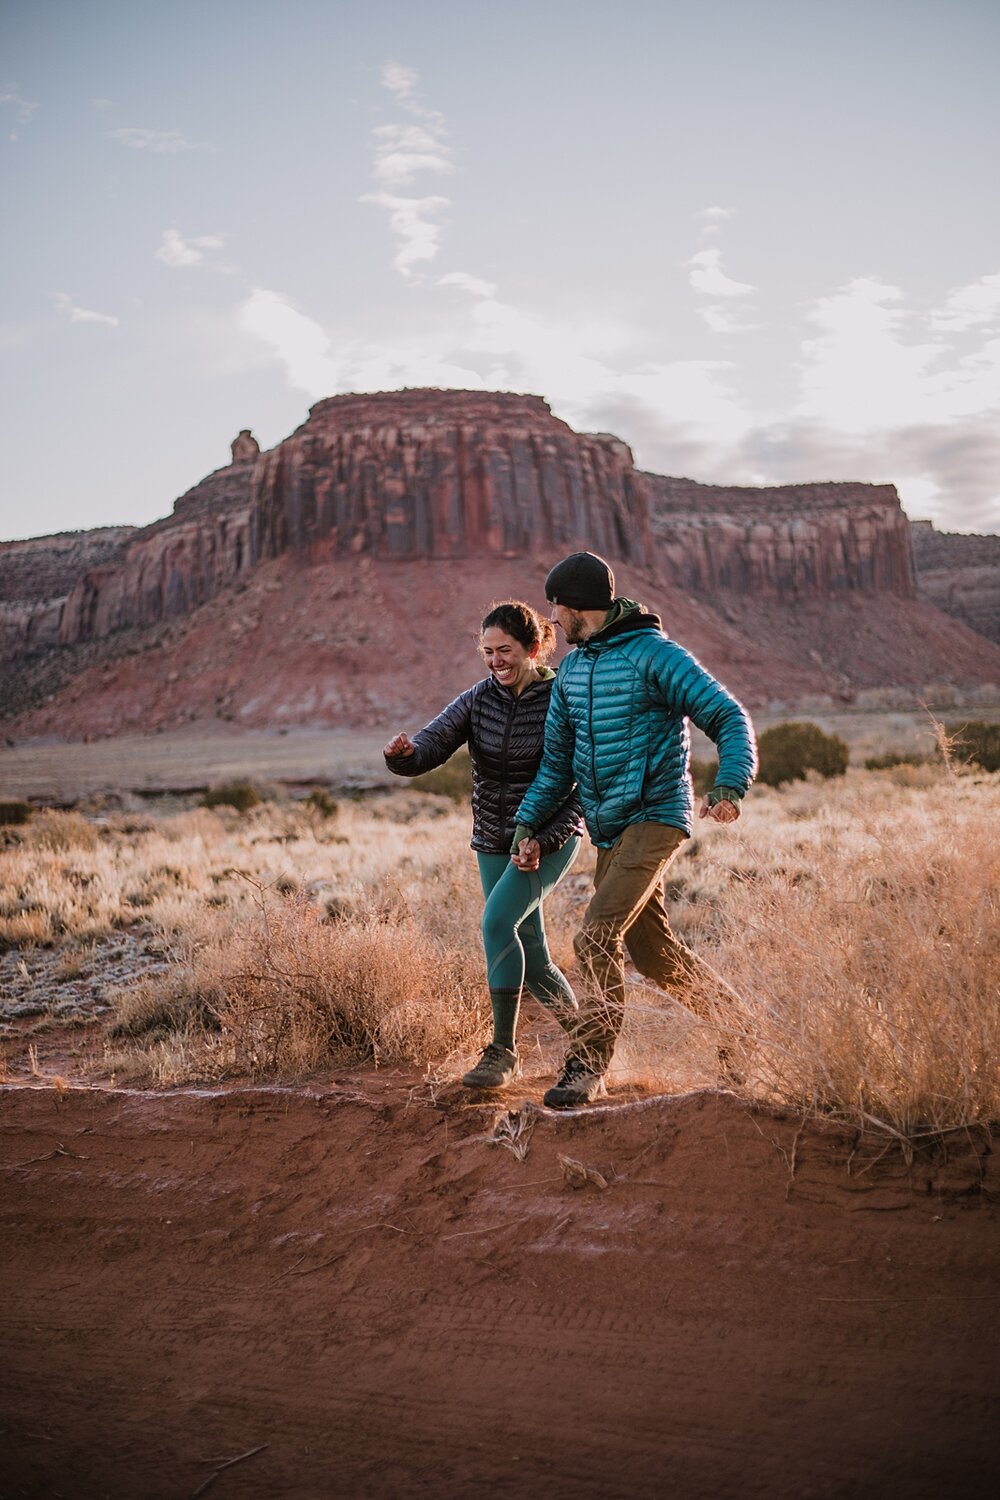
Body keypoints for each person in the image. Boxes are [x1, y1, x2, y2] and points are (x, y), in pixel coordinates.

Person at [510, 551, 758, 1108]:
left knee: (595, 935)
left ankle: (590, 1064)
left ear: (579, 607)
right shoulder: (573, 669)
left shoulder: (655, 655)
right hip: (609, 826)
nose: (552, 617)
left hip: (657, 814)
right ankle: (745, 1032)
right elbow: (557, 763)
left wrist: (730, 785)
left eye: (557, 605)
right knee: (654, 956)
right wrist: (528, 821)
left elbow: (727, 715)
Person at [384, 600, 584, 1090]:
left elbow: (582, 786)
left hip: (549, 837)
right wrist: (404, 757)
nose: (496, 661)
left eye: (507, 651)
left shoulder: (563, 698)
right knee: (532, 953)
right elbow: (434, 742)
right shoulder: (477, 699)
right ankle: (592, 1042)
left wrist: (544, 835)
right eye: (488, 651)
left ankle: (502, 1052)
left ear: (534, 649)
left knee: (496, 924)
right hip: (493, 841)